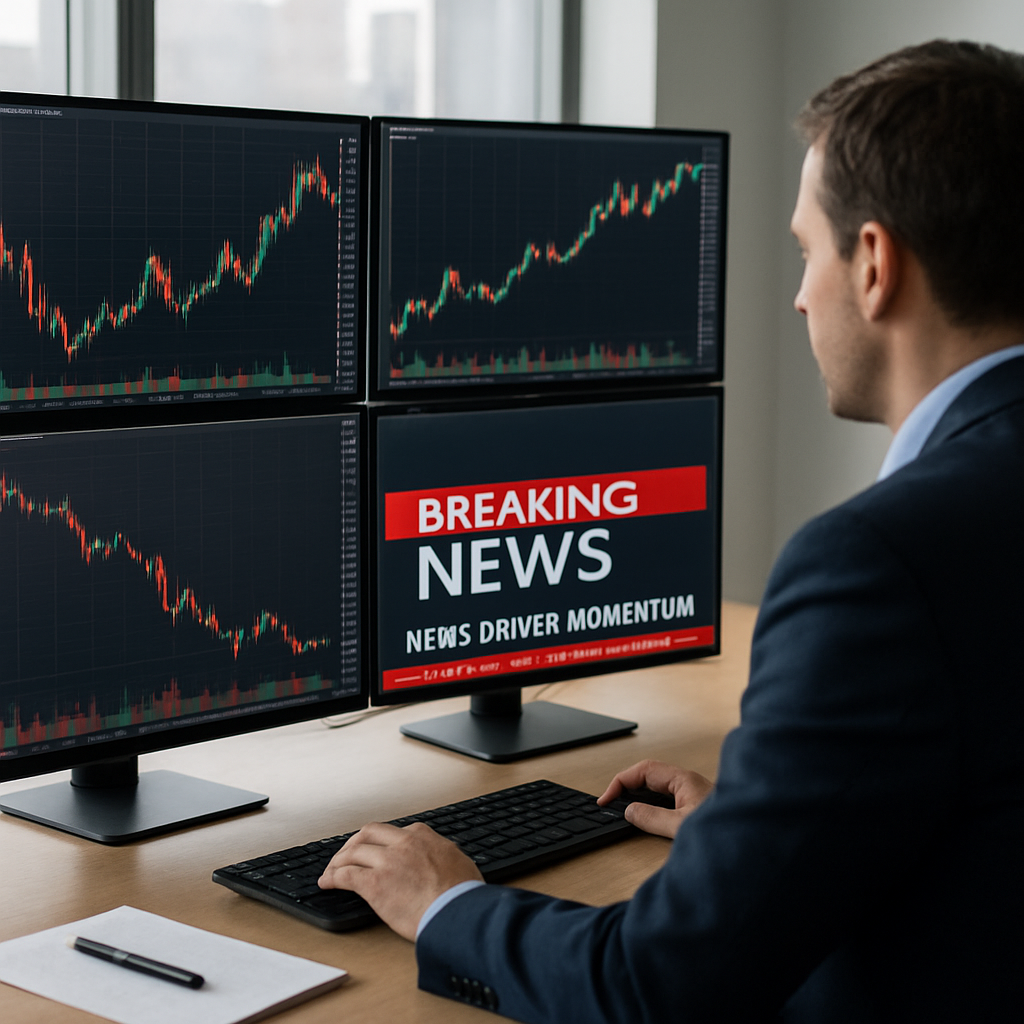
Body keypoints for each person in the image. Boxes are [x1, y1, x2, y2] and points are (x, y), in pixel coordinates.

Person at [320, 40, 1024, 1022]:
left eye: (804, 252)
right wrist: (760, 843)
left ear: (873, 265)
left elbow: (654, 989)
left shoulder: (878, 564)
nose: (796, 296)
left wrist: (446, 903)